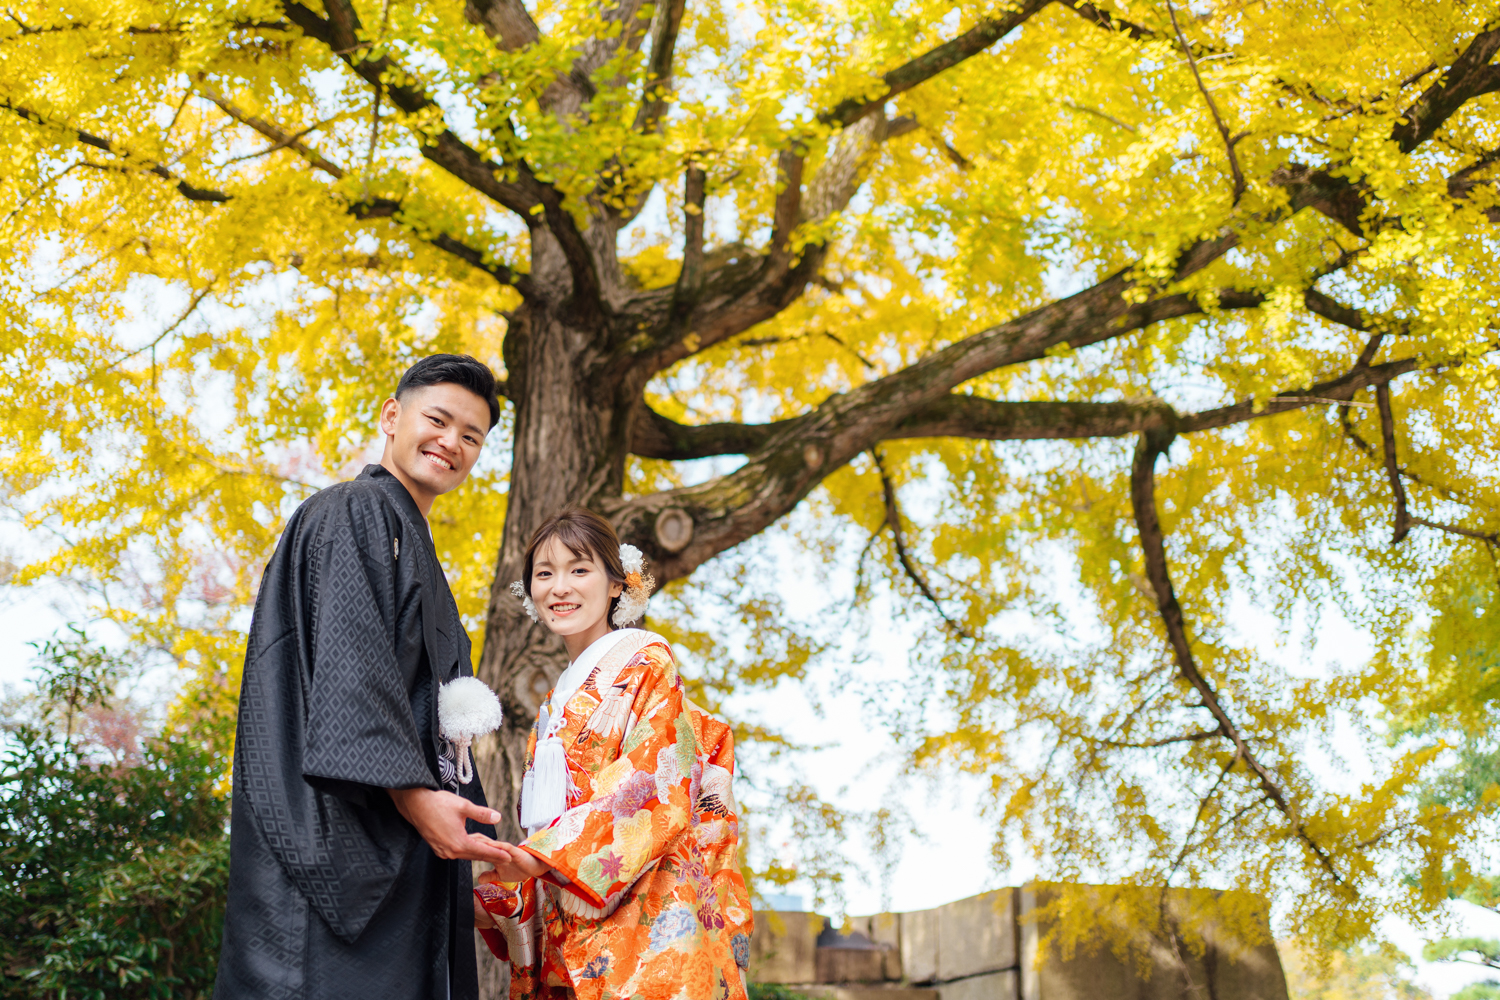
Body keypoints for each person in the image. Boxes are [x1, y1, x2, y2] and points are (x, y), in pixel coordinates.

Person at [215, 354, 511, 1000]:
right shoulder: (354, 511)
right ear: (391, 416)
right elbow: (353, 669)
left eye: (472, 437)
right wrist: (411, 794)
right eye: (438, 419)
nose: (452, 443)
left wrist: (474, 857)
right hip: (336, 845)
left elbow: (436, 724)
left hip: (403, 855)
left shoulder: (415, 544)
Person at [471, 507, 754, 1000]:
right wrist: (501, 891)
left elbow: (653, 784)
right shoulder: (552, 706)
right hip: (570, 931)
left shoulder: (646, 661)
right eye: (545, 574)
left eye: (579, 570)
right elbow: (543, 833)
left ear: (618, 585)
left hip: (645, 931)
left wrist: (542, 857)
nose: (560, 587)